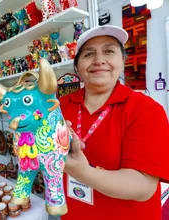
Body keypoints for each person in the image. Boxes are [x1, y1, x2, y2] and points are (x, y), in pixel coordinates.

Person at [59, 25, 169, 219]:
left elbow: (143, 187)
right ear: (77, 66)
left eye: (109, 51)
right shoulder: (61, 105)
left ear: (123, 60)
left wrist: (83, 171)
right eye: (88, 54)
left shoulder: (147, 110)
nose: (99, 60)